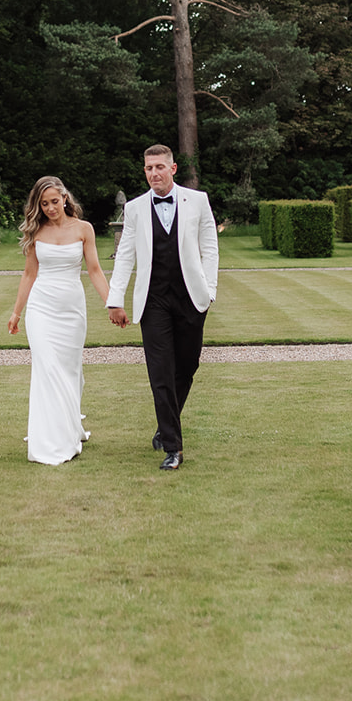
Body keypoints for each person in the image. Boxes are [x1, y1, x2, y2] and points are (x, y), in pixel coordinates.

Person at [105, 145, 219, 470]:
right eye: (148, 168)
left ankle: (165, 423)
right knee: (160, 372)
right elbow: (125, 254)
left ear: (173, 169)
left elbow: (210, 248)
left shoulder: (198, 201)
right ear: (144, 171)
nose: (154, 173)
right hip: (152, 300)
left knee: (187, 367)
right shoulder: (136, 207)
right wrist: (115, 298)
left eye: (159, 167)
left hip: (190, 297)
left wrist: (209, 290)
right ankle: (174, 447)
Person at [8, 176, 112, 465]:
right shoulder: (36, 231)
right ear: (38, 206)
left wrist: (111, 303)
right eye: (44, 203)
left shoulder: (84, 229)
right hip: (41, 308)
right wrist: (17, 312)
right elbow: (29, 274)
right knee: (47, 368)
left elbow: (94, 271)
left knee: (69, 371)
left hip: (71, 310)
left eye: (55, 201)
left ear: (65, 198)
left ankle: (67, 427)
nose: (51, 208)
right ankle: (48, 439)